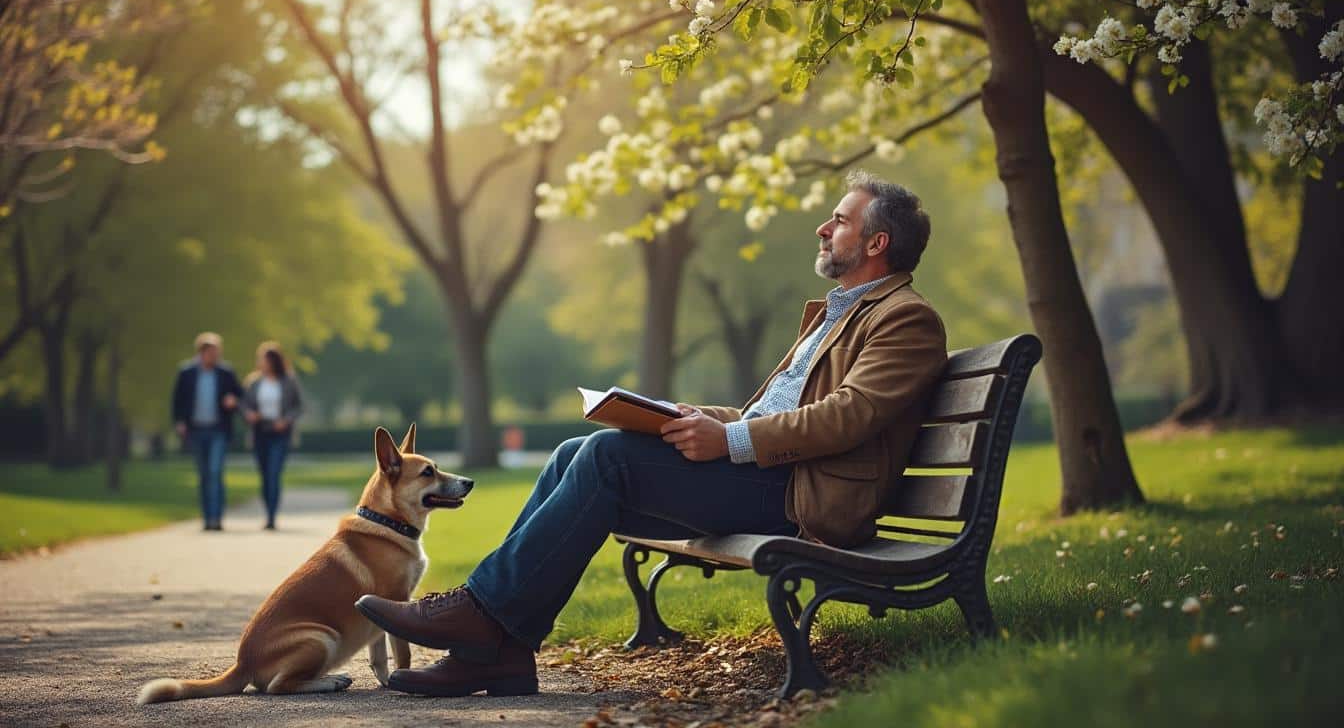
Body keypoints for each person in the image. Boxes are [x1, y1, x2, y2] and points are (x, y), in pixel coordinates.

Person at [356, 170, 948, 697]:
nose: (823, 227)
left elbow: (850, 414)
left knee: (608, 458)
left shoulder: (904, 318)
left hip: (803, 498)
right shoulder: (839, 313)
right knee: (572, 454)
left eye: (839, 220)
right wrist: (691, 418)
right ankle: (498, 653)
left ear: (877, 243)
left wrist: (733, 442)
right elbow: (771, 412)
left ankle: (478, 619)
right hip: (770, 477)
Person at [172, 332, 244, 531]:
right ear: (202, 353)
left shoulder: (226, 373)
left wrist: (233, 401)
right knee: (204, 474)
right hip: (196, 429)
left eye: (217, 352)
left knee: (215, 471)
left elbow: (240, 397)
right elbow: (177, 400)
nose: (216, 356)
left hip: (218, 430)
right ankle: (207, 517)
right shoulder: (186, 373)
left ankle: (216, 518)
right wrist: (179, 421)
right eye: (212, 352)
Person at [241, 341, 304, 530]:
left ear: (273, 361)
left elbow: (298, 406)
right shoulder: (253, 382)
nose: (261, 363)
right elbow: (243, 404)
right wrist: (249, 414)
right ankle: (268, 508)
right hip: (260, 431)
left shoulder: (289, 381)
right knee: (264, 474)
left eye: (264, 360)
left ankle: (271, 516)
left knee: (274, 473)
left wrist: (286, 420)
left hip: (280, 433)